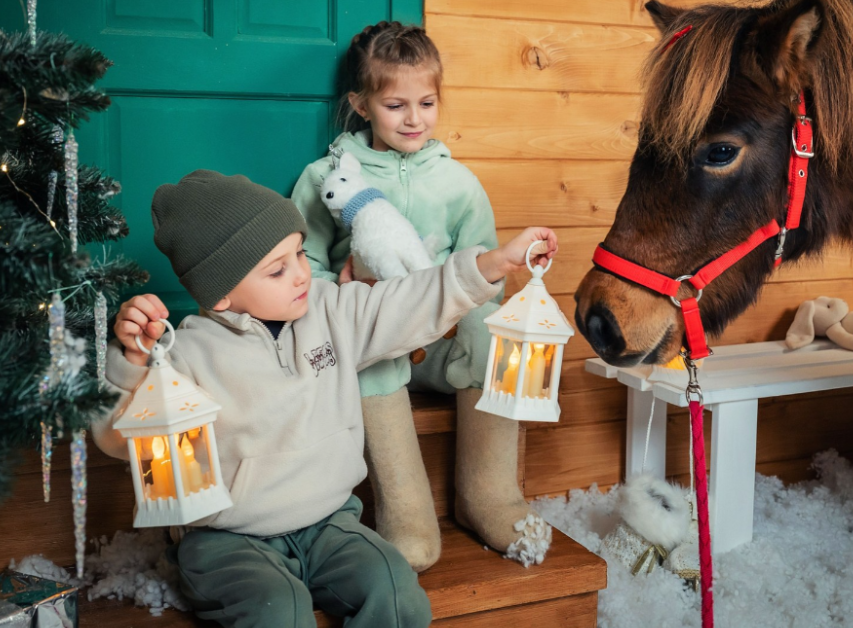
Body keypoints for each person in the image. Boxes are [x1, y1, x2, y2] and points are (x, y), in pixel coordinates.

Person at [91, 169, 558, 628]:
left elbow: (409, 300)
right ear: (221, 297)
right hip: (226, 540)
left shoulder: (331, 308)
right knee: (278, 610)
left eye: (298, 253)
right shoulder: (186, 353)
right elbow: (118, 435)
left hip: (329, 524)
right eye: (277, 269)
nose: (300, 274)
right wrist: (133, 360)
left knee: (397, 594)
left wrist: (493, 264)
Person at [291, 21, 547, 572]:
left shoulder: (457, 183)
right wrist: (336, 281)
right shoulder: (326, 179)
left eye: (427, 103)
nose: (414, 119)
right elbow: (302, 269)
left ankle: (489, 494)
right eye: (395, 105)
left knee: (491, 331)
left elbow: (487, 276)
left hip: (440, 345)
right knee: (372, 357)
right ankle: (406, 513)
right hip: (372, 344)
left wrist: (475, 295)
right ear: (361, 104)